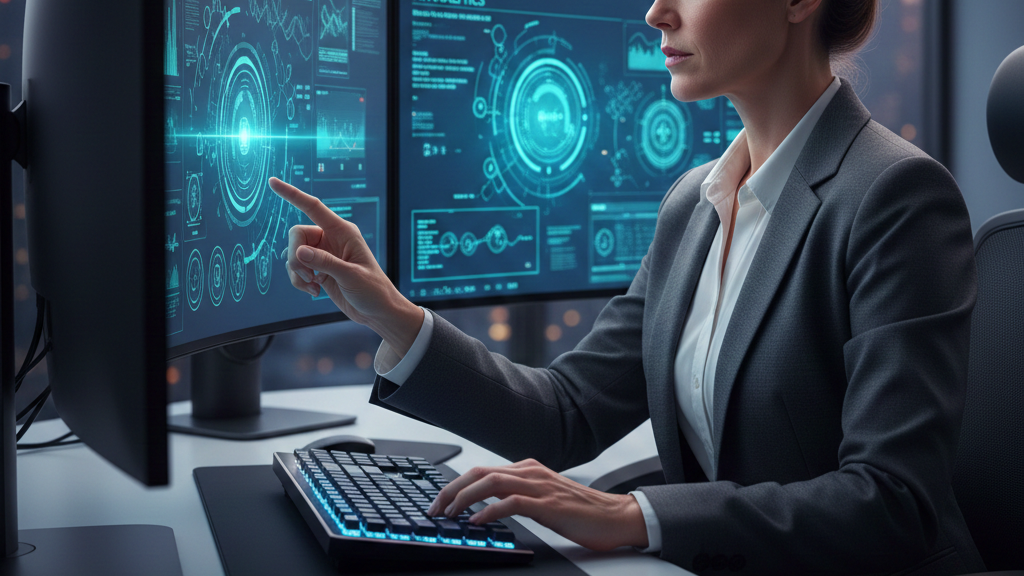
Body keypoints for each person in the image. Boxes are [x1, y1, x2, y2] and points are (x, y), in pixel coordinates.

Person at [269, 0, 986, 573]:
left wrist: (633, 516)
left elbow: (893, 504)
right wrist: (391, 314)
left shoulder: (895, 196)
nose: (655, 12)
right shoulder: (692, 204)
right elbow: (567, 414)